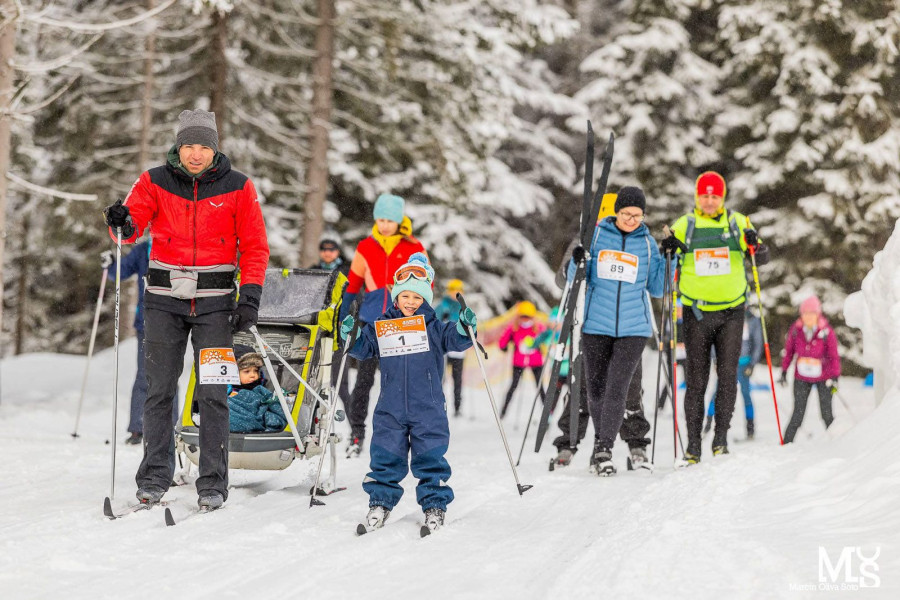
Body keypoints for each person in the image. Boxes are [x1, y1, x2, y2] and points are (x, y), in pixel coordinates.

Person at [103, 108, 269, 510]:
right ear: (179, 146)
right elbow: (130, 227)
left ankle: (212, 483)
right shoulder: (154, 181)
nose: (196, 154)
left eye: (204, 146)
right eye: (189, 145)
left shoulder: (238, 187)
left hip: (216, 306)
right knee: (158, 389)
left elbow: (255, 246)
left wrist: (249, 296)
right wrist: (120, 221)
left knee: (213, 393)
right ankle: (153, 478)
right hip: (163, 302)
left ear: (215, 148)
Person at [342, 253, 476, 534]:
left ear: (425, 299)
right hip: (391, 405)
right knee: (385, 455)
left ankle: (434, 504)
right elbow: (363, 348)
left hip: (427, 406)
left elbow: (457, 339)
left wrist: (466, 327)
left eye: (417, 298)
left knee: (431, 457)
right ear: (396, 296)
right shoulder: (383, 326)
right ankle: (379, 502)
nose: (411, 303)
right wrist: (351, 335)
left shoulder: (435, 327)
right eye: (406, 297)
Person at [661, 171, 769, 463]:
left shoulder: (738, 222)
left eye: (715, 196)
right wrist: (668, 249)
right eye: (704, 195)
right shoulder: (685, 225)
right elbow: (664, 257)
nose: (709, 201)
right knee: (696, 381)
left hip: (732, 313)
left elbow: (762, 256)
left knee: (727, 377)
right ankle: (693, 444)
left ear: (722, 198)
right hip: (696, 312)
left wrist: (753, 243)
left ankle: (720, 438)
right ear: (697, 197)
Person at [566, 186, 666, 475]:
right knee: (596, 391)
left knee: (617, 388)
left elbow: (657, 287)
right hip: (596, 324)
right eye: (626, 214)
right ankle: (601, 447)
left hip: (634, 328)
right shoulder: (597, 236)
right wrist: (578, 260)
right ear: (616, 213)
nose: (632, 220)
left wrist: (671, 259)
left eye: (637, 215)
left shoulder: (646, 244)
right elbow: (579, 279)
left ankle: (604, 448)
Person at [340, 194, 427, 457]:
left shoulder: (413, 247)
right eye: (380, 219)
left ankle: (401, 437)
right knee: (363, 381)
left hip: (402, 324)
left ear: (399, 220)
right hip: (371, 320)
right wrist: (342, 316)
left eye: (390, 220)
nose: (385, 224)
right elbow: (353, 285)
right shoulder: (366, 247)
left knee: (399, 383)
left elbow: (426, 286)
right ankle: (356, 433)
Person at [102, 241, 180, 445]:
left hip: (175, 319)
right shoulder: (143, 249)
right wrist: (111, 264)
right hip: (146, 321)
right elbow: (120, 272)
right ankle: (138, 427)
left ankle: (171, 426)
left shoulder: (179, 244)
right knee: (145, 373)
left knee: (170, 373)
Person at [779, 296, 840, 443]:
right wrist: (784, 371)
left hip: (823, 377)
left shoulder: (826, 331)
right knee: (798, 413)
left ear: (818, 314)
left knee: (826, 413)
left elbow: (834, 356)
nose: (808, 316)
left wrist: (835, 376)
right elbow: (789, 352)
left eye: (812, 313)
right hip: (802, 377)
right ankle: (786, 443)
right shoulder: (796, 330)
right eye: (805, 313)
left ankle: (837, 442)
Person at [704, 309, 763, 439]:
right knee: (717, 392)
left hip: (744, 364)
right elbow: (715, 338)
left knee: (746, 394)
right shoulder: (725, 314)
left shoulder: (752, 319)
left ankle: (750, 428)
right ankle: (707, 424)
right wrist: (715, 359)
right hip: (726, 362)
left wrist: (752, 363)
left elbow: (758, 342)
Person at [307, 238, 351, 412]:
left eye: (331, 249)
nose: (327, 253)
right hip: (317, 331)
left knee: (341, 383)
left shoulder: (347, 272)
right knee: (313, 381)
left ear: (338, 252)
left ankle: (356, 431)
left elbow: (355, 299)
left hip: (338, 333)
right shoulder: (312, 272)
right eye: (324, 249)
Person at [498, 301, 546, 418]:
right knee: (513, 386)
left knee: (540, 387)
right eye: (523, 317)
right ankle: (503, 411)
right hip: (519, 362)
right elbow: (502, 342)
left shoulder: (538, 328)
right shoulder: (514, 328)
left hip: (536, 362)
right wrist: (504, 346)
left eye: (527, 317)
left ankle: (547, 412)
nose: (525, 320)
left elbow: (547, 338)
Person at [226, 346, 287, 433]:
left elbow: (271, 405)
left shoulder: (260, 390)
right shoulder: (227, 391)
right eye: (247, 371)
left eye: (256, 370)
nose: (253, 375)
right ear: (233, 373)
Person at [434, 279, 466, 416]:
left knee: (457, 379)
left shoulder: (463, 307)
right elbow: (434, 322)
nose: (455, 294)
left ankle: (457, 407)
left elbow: (467, 325)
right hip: (444, 347)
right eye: (453, 291)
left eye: (457, 291)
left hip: (458, 348)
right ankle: (439, 405)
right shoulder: (443, 305)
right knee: (441, 378)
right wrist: (442, 319)